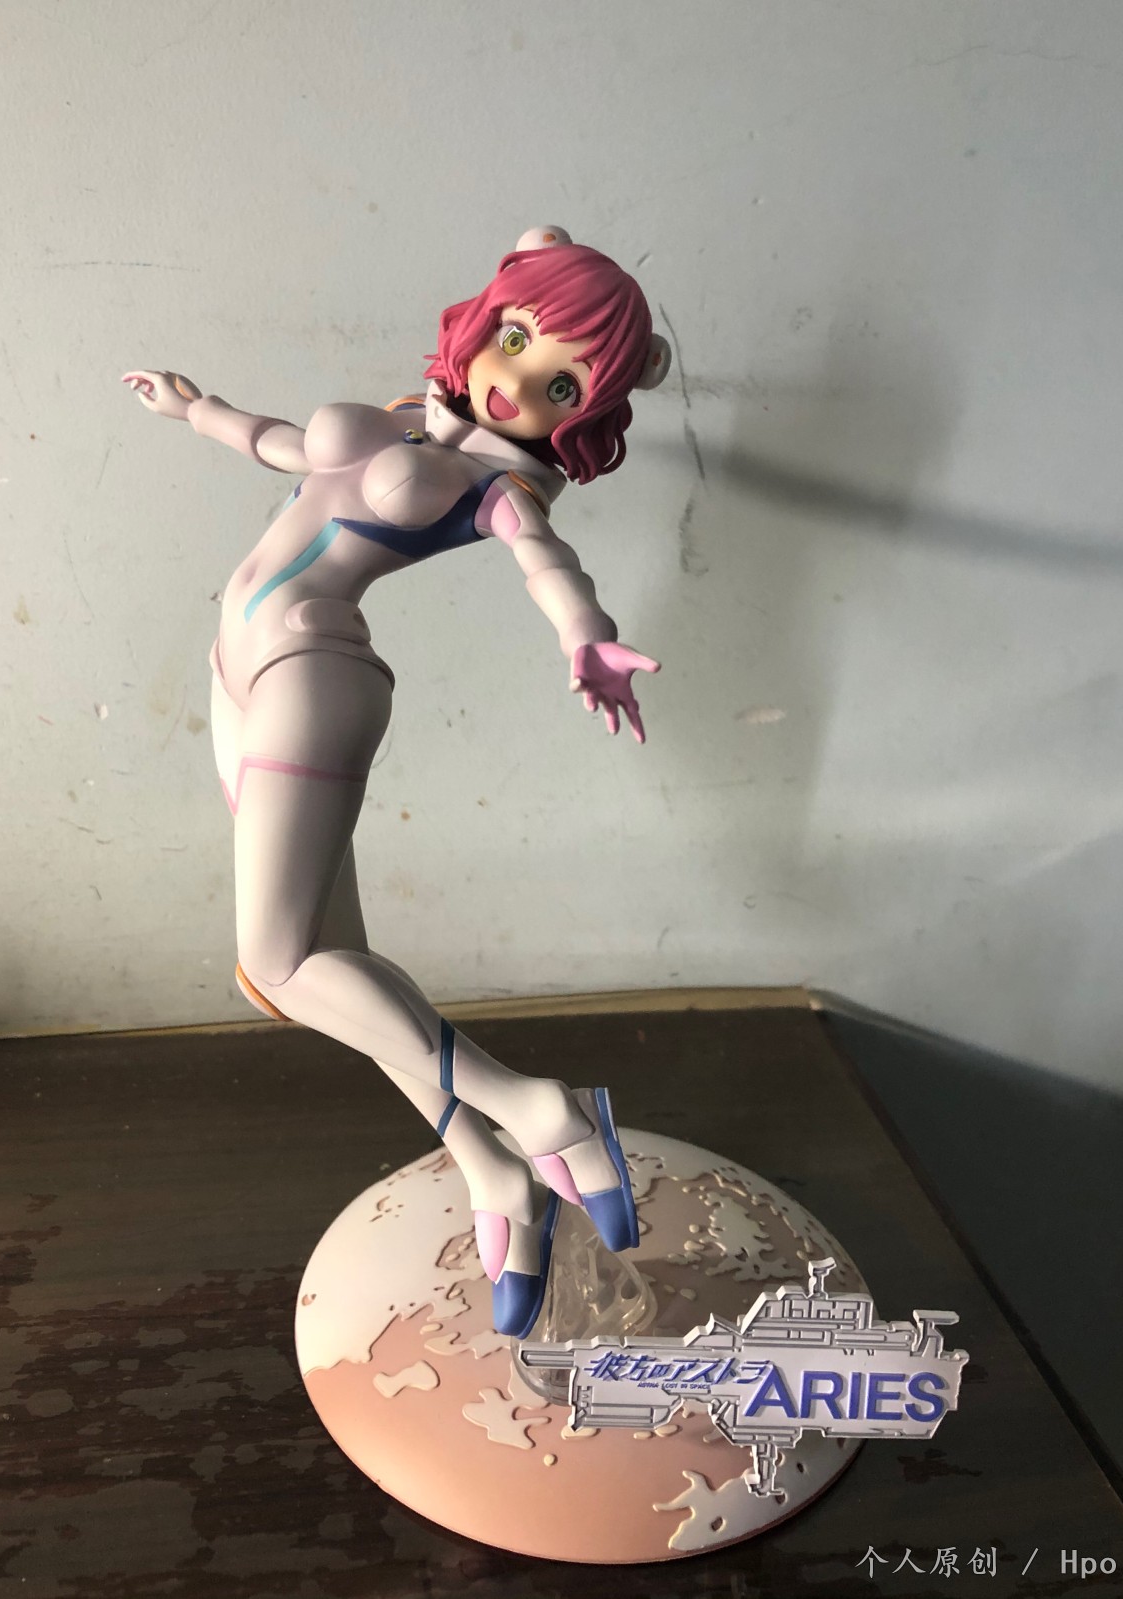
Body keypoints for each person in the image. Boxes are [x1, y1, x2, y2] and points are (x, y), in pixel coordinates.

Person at [123, 226, 670, 1337]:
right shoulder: (408, 415)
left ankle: (536, 1109)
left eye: (561, 385)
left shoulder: (500, 484)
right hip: (235, 670)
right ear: (487, 315)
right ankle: (495, 1172)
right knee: (330, 963)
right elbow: (286, 448)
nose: (518, 381)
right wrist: (196, 409)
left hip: (311, 675)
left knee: (277, 964)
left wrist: (586, 637)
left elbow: (549, 566)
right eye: (517, 338)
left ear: (586, 411)